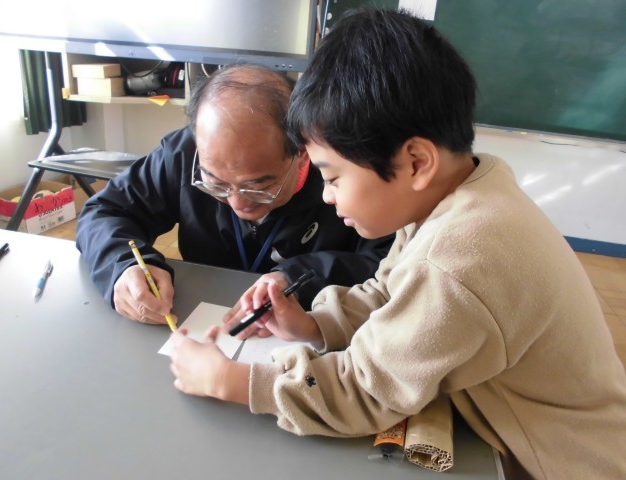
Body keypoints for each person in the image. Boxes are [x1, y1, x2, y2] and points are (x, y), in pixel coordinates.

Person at [168, 9, 626, 480]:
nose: (326, 195)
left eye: (332, 176)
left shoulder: (459, 257)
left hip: (555, 464)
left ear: (416, 162)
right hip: (507, 429)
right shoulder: (458, 194)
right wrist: (312, 325)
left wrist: (231, 380)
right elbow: (388, 296)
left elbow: (365, 393)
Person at [75, 63, 394, 326]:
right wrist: (122, 266)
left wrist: (297, 279)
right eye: (216, 183)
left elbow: (390, 262)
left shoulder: (341, 174)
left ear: (301, 153)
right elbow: (104, 211)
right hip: (201, 321)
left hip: (319, 330)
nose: (237, 203)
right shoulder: (185, 155)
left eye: (258, 187)